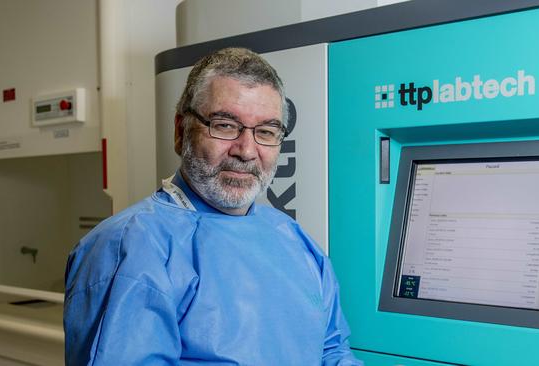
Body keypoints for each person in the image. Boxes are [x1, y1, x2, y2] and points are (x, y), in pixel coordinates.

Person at [63, 47, 362, 365]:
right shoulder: (131, 247)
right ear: (180, 131)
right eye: (224, 125)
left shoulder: (294, 240)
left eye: (266, 132)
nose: (246, 151)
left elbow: (332, 350)